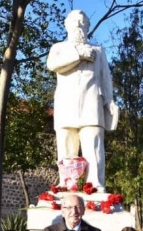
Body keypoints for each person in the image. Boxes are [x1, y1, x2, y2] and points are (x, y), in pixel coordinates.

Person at [47, 10, 118, 192]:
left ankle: (95, 185)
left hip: (91, 104)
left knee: (94, 147)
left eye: (82, 22)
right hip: (66, 104)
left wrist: (109, 101)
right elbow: (52, 65)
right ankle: (67, 184)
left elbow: (105, 79)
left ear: (87, 25)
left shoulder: (99, 51)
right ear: (67, 25)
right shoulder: (59, 48)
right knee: (67, 148)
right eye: (74, 22)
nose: (78, 25)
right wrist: (79, 55)